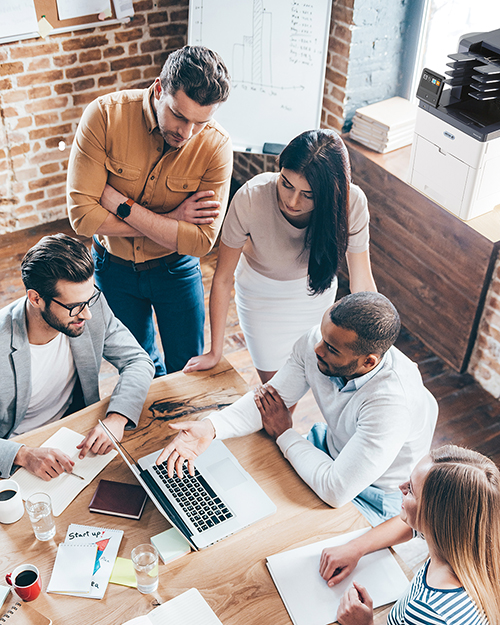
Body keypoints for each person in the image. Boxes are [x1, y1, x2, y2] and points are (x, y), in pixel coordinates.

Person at [157, 292, 438, 525]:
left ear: (369, 362)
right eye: (322, 335)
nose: (317, 348)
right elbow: (270, 401)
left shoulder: (391, 404)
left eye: (331, 348)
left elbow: (336, 490)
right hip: (328, 451)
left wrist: (284, 433)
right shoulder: (321, 342)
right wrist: (210, 427)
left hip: (375, 495)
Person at [67, 45, 233, 376]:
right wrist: (171, 222)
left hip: (176, 270)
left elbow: (201, 243)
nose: (187, 134)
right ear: (159, 89)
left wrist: (118, 204)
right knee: (138, 364)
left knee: (187, 367)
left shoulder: (216, 146)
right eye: (180, 115)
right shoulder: (104, 116)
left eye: (200, 122)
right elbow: (82, 217)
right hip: (112, 269)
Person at [184, 129, 377, 384]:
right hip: (261, 298)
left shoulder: (351, 202)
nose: (292, 201)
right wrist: (215, 351)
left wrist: (377, 343)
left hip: (314, 297)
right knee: (276, 389)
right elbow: (221, 279)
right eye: (286, 183)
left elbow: (362, 284)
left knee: (304, 378)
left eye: (308, 195)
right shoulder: (251, 197)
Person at [0, 234, 155, 480]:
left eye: (89, 299)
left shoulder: (88, 303)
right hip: (19, 451)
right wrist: (22, 454)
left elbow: (137, 360)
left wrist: (117, 418)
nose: (88, 315)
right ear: (36, 298)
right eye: (74, 307)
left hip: (76, 432)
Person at [325, 445, 500, 625]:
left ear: (433, 518)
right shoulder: (472, 538)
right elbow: (409, 526)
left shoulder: (427, 612)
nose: (400, 487)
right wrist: (355, 548)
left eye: (411, 490)